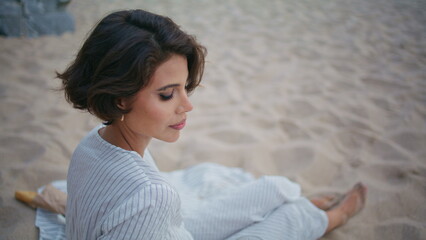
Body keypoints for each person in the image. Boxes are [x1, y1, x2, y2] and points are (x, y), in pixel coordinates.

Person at [53, 9, 367, 240]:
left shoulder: (94, 141)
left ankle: (300, 205)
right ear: (121, 98)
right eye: (167, 94)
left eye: (183, 87)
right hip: (156, 224)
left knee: (273, 188)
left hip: (164, 230)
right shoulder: (151, 196)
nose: (187, 105)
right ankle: (327, 218)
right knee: (280, 226)